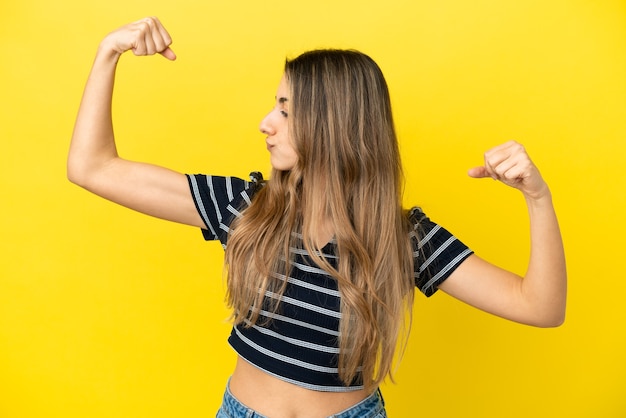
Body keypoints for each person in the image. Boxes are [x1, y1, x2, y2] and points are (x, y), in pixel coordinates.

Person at [67, 17, 566, 418]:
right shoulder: (246, 208)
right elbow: (92, 168)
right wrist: (108, 51)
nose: (266, 122)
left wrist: (537, 198)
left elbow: (540, 307)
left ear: (335, 124)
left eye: (285, 108)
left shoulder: (403, 240)